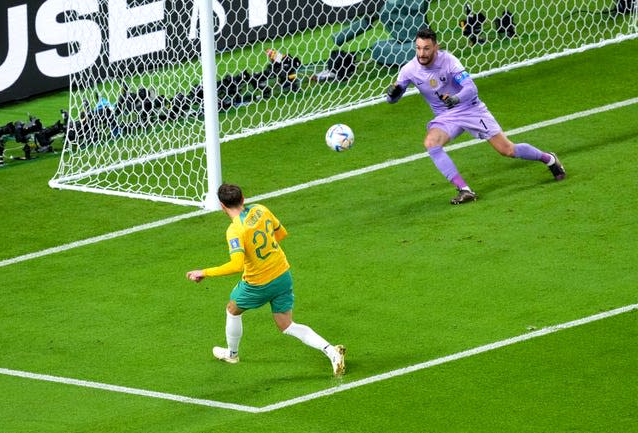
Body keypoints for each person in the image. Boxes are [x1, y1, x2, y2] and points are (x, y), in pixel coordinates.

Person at [386, 28, 566, 205]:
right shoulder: (409, 70)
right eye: (418, 48)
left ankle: (549, 158)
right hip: (446, 116)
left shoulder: (449, 62)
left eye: (426, 48)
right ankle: (465, 190)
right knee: (431, 144)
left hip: (470, 108)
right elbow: (392, 99)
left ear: (436, 47)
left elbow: (471, 88)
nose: (421, 53)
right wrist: (392, 94)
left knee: (507, 150)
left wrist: (456, 98)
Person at [186, 183, 346, 376]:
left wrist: (204, 272)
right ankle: (331, 351)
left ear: (222, 206)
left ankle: (232, 354)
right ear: (243, 199)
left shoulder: (235, 230)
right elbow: (281, 234)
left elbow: (236, 265)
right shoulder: (261, 210)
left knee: (232, 310)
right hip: (282, 274)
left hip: (257, 284)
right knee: (286, 324)